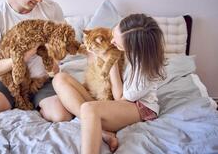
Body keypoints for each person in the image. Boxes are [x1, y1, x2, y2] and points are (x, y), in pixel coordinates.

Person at [53, 14, 166, 153]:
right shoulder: (126, 50)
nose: (111, 41)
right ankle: (103, 133)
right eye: (113, 34)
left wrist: (111, 62)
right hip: (113, 101)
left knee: (89, 109)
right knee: (60, 78)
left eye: (116, 41)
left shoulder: (144, 71)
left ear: (133, 47)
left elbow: (119, 98)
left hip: (138, 106)